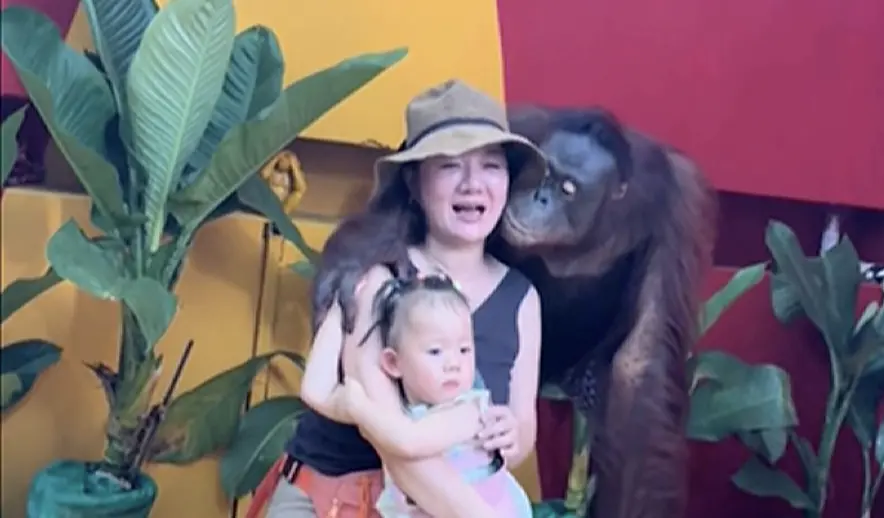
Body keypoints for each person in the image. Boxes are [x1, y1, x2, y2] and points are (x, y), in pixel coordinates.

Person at [246, 78, 546, 518]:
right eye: (449, 166)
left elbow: (521, 429)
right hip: (334, 505)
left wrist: (506, 435)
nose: (473, 184)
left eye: (491, 165)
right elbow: (400, 447)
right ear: (414, 182)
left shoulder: (522, 298)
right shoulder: (381, 277)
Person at [307, 272, 534, 517]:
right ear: (393, 363)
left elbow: (409, 441)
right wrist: (341, 308)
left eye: (464, 350)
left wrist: (358, 406)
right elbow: (316, 393)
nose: (453, 363)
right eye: (436, 351)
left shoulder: (470, 411)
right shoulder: (392, 413)